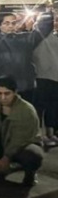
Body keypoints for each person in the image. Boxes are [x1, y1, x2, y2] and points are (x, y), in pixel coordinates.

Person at [0, 75, 43, 187]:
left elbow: (20, 138)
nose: (3, 97)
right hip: (1, 143)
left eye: (7, 93)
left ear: (15, 92)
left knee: (32, 155)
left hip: (22, 145)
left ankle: (30, 173)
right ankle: (2, 167)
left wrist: (7, 157)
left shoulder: (26, 110)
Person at [33, 11, 58, 147]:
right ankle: (47, 133)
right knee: (47, 106)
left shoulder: (35, 36)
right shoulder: (37, 36)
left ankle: (45, 133)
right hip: (46, 76)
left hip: (45, 76)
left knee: (45, 106)